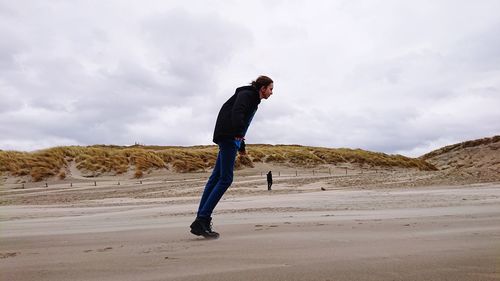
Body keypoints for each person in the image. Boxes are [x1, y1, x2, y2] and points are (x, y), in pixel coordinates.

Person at [190, 75, 274, 239]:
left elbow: (243, 120)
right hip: (228, 136)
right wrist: (236, 134)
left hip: (229, 137)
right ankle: (202, 218)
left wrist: (241, 144)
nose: (272, 92)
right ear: (262, 88)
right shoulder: (248, 95)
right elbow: (237, 112)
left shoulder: (251, 98)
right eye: (270, 89)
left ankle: (201, 219)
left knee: (215, 178)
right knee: (225, 179)